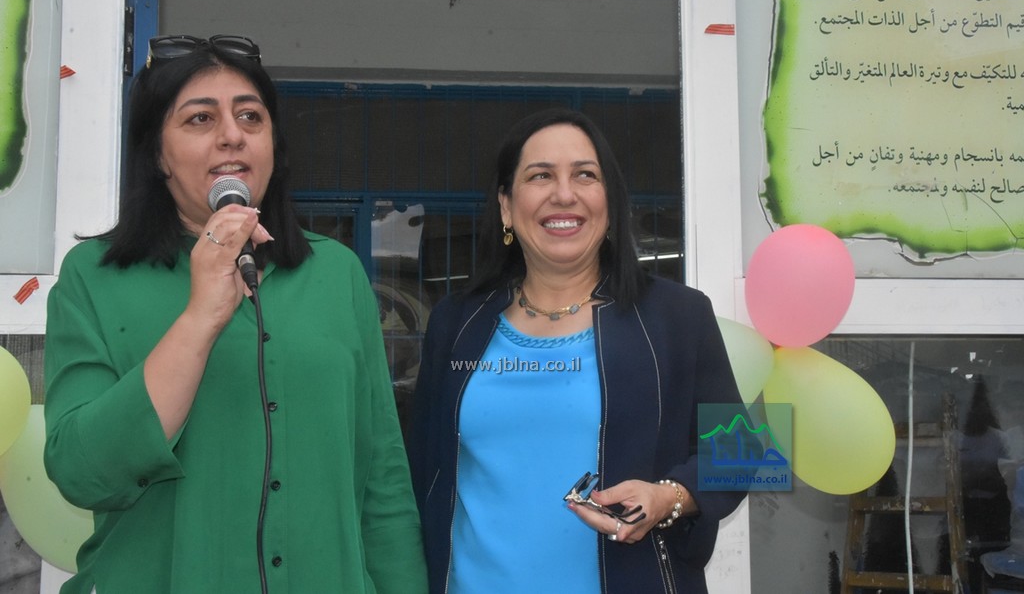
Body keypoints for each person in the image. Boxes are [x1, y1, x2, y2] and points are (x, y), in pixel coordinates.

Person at [43, 34, 427, 594]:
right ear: (157, 154)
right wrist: (199, 317)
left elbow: (383, 480)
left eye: (251, 117)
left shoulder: (336, 274)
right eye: (200, 119)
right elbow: (83, 472)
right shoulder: (93, 277)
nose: (232, 135)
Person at [408, 107, 748, 593]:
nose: (564, 194)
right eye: (540, 175)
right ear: (506, 206)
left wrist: (669, 497)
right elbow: (421, 470)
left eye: (585, 175)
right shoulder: (456, 323)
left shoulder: (677, 316)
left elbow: (743, 453)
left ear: (610, 201)